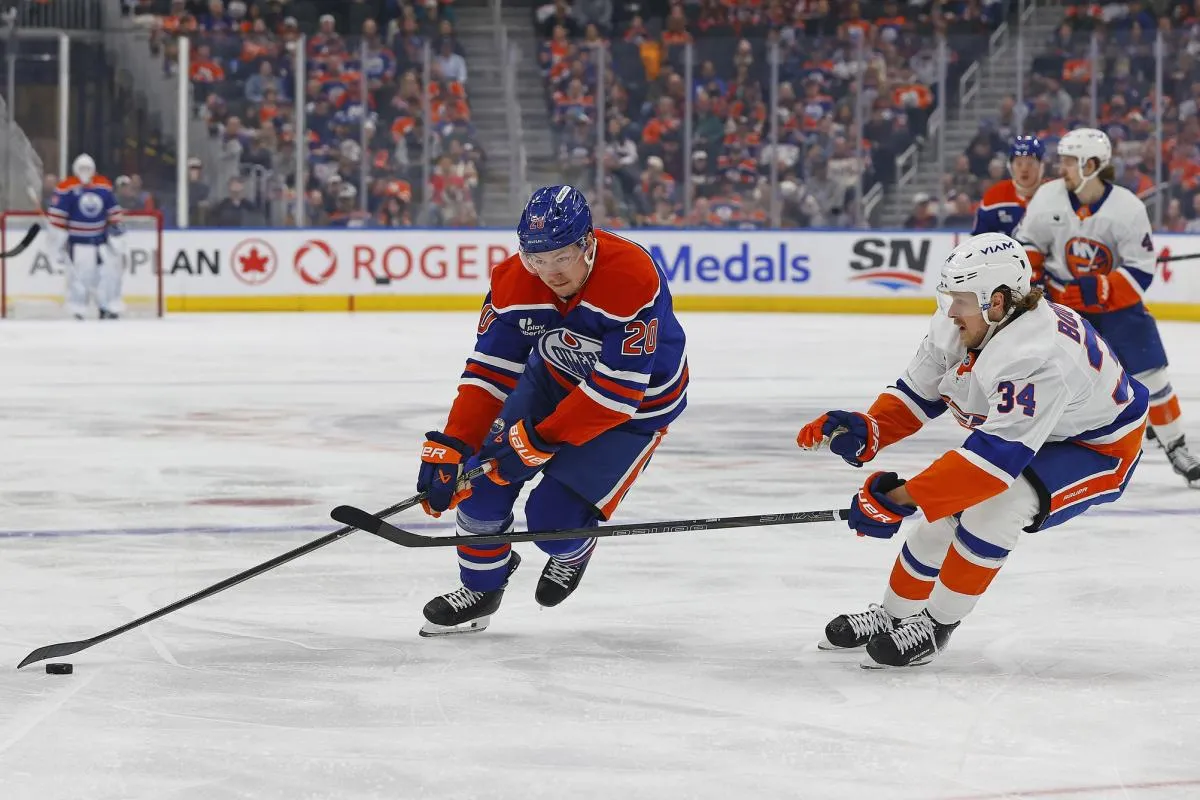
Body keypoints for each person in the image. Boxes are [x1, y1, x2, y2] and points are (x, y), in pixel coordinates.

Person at [796, 232, 1148, 669]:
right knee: (940, 520)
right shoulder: (968, 321)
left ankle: (936, 625)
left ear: (997, 301)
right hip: (1036, 431)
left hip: (1096, 446)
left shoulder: (1037, 356)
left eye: (960, 299)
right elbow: (917, 394)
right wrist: (868, 429)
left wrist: (898, 499)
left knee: (996, 507)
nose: (950, 310)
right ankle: (893, 615)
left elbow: (992, 465)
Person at [412, 185, 689, 637]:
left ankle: (572, 550)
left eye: (561, 256)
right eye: (536, 259)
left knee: (551, 520)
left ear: (588, 244)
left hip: (636, 408)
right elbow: (489, 372)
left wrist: (539, 442)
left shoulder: (631, 274)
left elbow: (618, 392)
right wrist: (454, 443)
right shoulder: (513, 280)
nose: (549, 272)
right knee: (479, 481)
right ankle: (482, 588)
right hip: (552, 381)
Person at [1014, 127, 1200, 485]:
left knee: (1152, 377)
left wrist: (1092, 290)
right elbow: (1028, 245)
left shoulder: (1127, 208)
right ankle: (1041, 445)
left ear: (1092, 164)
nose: (1062, 167)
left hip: (1116, 309)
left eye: (1070, 161)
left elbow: (1139, 273)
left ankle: (1176, 446)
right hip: (1062, 310)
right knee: (1052, 377)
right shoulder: (1049, 197)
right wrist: (1034, 278)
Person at [46, 154, 127, 320]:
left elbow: (113, 211)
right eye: (81, 168)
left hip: (100, 241)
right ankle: (78, 308)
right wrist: (58, 241)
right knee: (79, 277)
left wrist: (117, 230)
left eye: (88, 168)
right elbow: (58, 218)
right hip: (77, 242)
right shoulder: (66, 187)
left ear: (94, 169)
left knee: (107, 275)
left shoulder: (103, 186)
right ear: (75, 169)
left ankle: (107, 306)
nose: (85, 172)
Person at [972, 135, 1045, 236]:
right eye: (1019, 164)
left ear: (1041, 166)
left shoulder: (1056, 194)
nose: (1024, 169)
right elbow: (978, 240)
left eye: (1030, 164)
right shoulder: (994, 196)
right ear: (1010, 166)